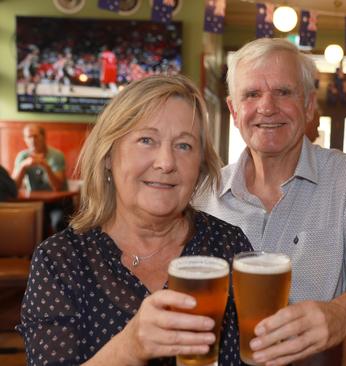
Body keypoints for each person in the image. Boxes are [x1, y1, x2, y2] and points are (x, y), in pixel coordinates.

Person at [193, 38, 346, 365]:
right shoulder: (203, 191)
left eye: (283, 92)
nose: (267, 107)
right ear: (234, 110)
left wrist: (340, 315)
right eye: (252, 94)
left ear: (310, 105)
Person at [17, 75, 253, 366]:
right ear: (107, 155)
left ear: (200, 165)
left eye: (184, 146)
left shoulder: (228, 244)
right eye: (146, 140)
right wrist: (131, 347)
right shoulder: (60, 261)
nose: (166, 162)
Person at [12, 124, 70, 232]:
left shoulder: (56, 155)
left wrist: (45, 166)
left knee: (58, 221)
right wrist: (23, 166)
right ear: (25, 139)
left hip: (58, 203)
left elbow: (57, 187)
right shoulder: (22, 157)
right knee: (23, 224)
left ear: (43, 137)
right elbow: (13, 187)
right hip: (34, 203)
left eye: (36, 136)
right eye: (29, 137)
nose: (32, 140)